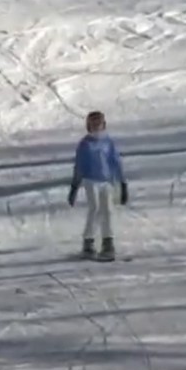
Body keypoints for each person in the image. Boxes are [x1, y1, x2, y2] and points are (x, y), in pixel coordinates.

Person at [68, 111, 128, 260]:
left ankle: (108, 242)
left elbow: (116, 162)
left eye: (98, 123)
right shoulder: (85, 144)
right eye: (93, 124)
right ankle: (88, 242)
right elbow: (79, 165)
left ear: (103, 124)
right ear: (88, 126)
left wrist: (123, 182)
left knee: (107, 210)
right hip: (90, 180)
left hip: (106, 180)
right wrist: (74, 186)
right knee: (94, 208)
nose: (96, 127)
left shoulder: (108, 142)